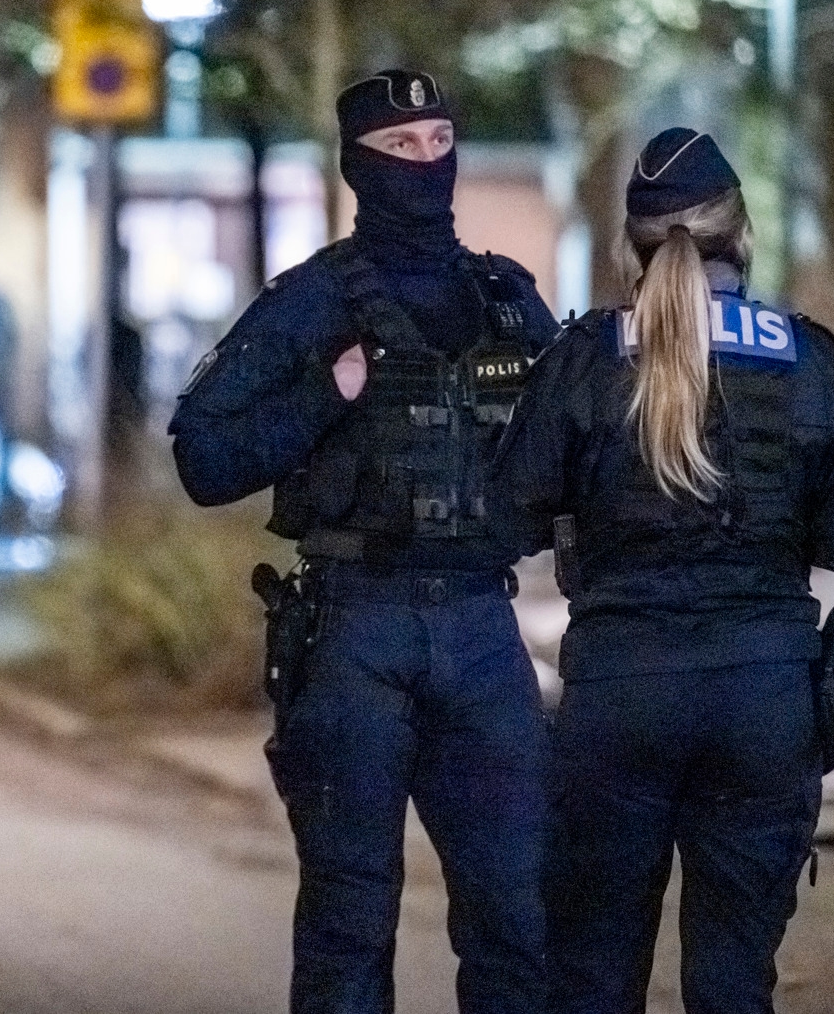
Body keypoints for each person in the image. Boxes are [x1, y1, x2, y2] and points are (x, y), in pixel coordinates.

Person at [169, 70, 560, 1013]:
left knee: (519, 914)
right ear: (359, 167)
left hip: (481, 629)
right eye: (401, 148)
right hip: (355, 631)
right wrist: (325, 395)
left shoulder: (507, 300)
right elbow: (203, 457)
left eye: (440, 141)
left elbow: (577, 449)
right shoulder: (310, 303)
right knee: (351, 921)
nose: (428, 163)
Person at [490, 128, 834, 1014]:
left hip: (621, 695)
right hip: (764, 700)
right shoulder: (807, 355)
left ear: (634, 247)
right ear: (741, 235)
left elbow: (508, 512)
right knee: (735, 980)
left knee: (591, 975)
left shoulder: (587, 357)